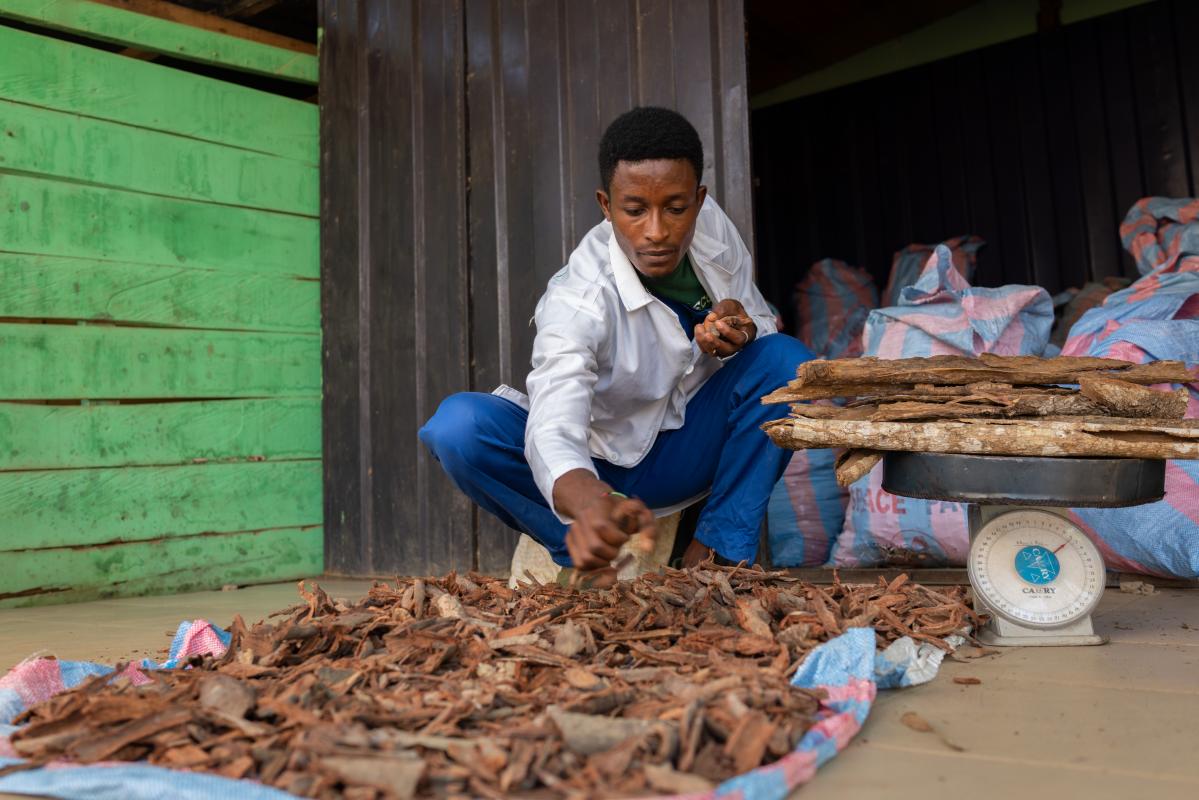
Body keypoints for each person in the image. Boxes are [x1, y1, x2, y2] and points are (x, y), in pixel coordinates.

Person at [420, 107, 813, 572]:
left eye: (676, 207)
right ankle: (586, 545)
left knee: (787, 363)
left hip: (682, 452)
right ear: (606, 206)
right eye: (634, 210)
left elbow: (761, 323)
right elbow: (553, 423)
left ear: (699, 199)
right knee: (458, 428)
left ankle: (717, 554)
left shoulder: (715, 233)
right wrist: (590, 501)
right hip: (600, 463)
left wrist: (743, 330)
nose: (657, 231)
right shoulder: (579, 298)